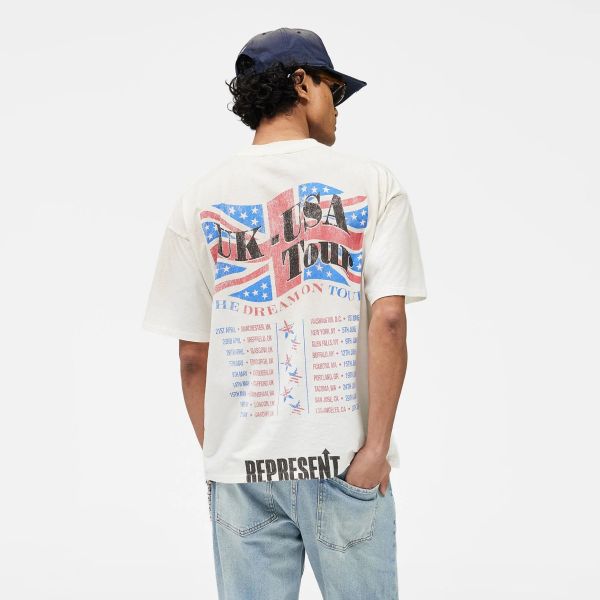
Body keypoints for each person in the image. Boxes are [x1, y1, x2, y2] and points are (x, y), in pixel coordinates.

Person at [142, 27, 427, 600]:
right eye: (332, 89)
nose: (338, 106)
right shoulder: (374, 183)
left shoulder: (197, 198)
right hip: (343, 461)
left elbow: (193, 356)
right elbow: (389, 320)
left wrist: (225, 458)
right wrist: (374, 450)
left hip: (244, 472)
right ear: (301, 83)